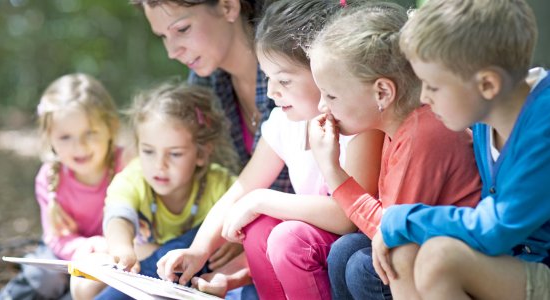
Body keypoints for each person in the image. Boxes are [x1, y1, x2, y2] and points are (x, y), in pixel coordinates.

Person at [156, 1, 384, 299]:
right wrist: (198, 250)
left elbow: (346, 218)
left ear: (322, 72)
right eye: (267, 78)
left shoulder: (358, 127)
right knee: (260, 230)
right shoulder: (283, 123)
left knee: (287, 237)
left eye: (284, 80)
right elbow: (243, 188)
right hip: (310, 250)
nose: (273, 91)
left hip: (348, 253)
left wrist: (261, 200)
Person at [370, 1, 550, 299]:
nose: (425, 98)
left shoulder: (543, 126)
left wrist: (398, 217)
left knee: (440, 259)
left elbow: (494, 230)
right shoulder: (485, 112)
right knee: (401, 252)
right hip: (515, 259)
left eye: (433, 86)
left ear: (487, 84)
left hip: (536, 262)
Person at [307, 2, 483, 300]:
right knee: (344, 251)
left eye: (331, 95)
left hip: (458, 269)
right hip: (421, 251)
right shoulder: (398, 128)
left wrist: (332, 172)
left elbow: (393, 234)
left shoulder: (424, 133)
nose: (322, 107)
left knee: (362, 267)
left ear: (382, 93)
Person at [76, 82, 239, 300]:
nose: (159, 165)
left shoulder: (221, 184)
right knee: (83, 285)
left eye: (175, 154)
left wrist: (236, 243)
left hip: (200, 277)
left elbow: (250, 220)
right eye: (149, 151)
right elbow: (118, 216)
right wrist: (122, 249)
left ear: (201, 153)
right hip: (147, 270)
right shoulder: (133, 179)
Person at [131, 0, 293, 194]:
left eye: (182, 29)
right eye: (163, 37)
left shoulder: (295, 70)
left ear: (228, 7)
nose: (172, 52)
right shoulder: (204, 87)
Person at [0, 73, 124, 300]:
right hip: (66, 253)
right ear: (50, 138)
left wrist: (112, 248)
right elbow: (57, 239)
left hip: (117, 255)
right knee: (43, 276)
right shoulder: (50, 177)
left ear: (111, 127)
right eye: (65, 137)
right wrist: (89, 247)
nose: (79, 146)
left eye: (90, 133)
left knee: (102, 286)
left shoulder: (126, 166)